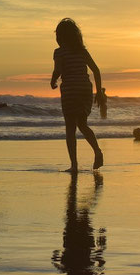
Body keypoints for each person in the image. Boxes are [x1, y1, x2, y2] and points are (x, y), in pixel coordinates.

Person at [50, 18, 104, 172]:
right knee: (82, 124)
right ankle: (97, 151)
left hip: (70, 91)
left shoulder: (59, 52)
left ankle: (74, 165)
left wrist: (53, 80)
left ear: (60, 37)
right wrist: (99, 92)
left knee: (70, 128)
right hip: (84, 90)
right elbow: (96, 71)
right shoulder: (82, 51)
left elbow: (58, 69)